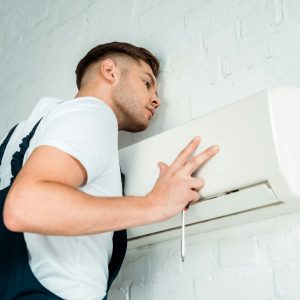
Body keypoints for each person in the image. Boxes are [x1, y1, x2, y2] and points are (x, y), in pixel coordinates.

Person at [0, 42, 219, 299]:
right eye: (147, 83)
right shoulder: (93, 112)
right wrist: (155, 204)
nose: (157, 100)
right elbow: (25, 206)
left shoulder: (19, 135)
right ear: (109, 71)